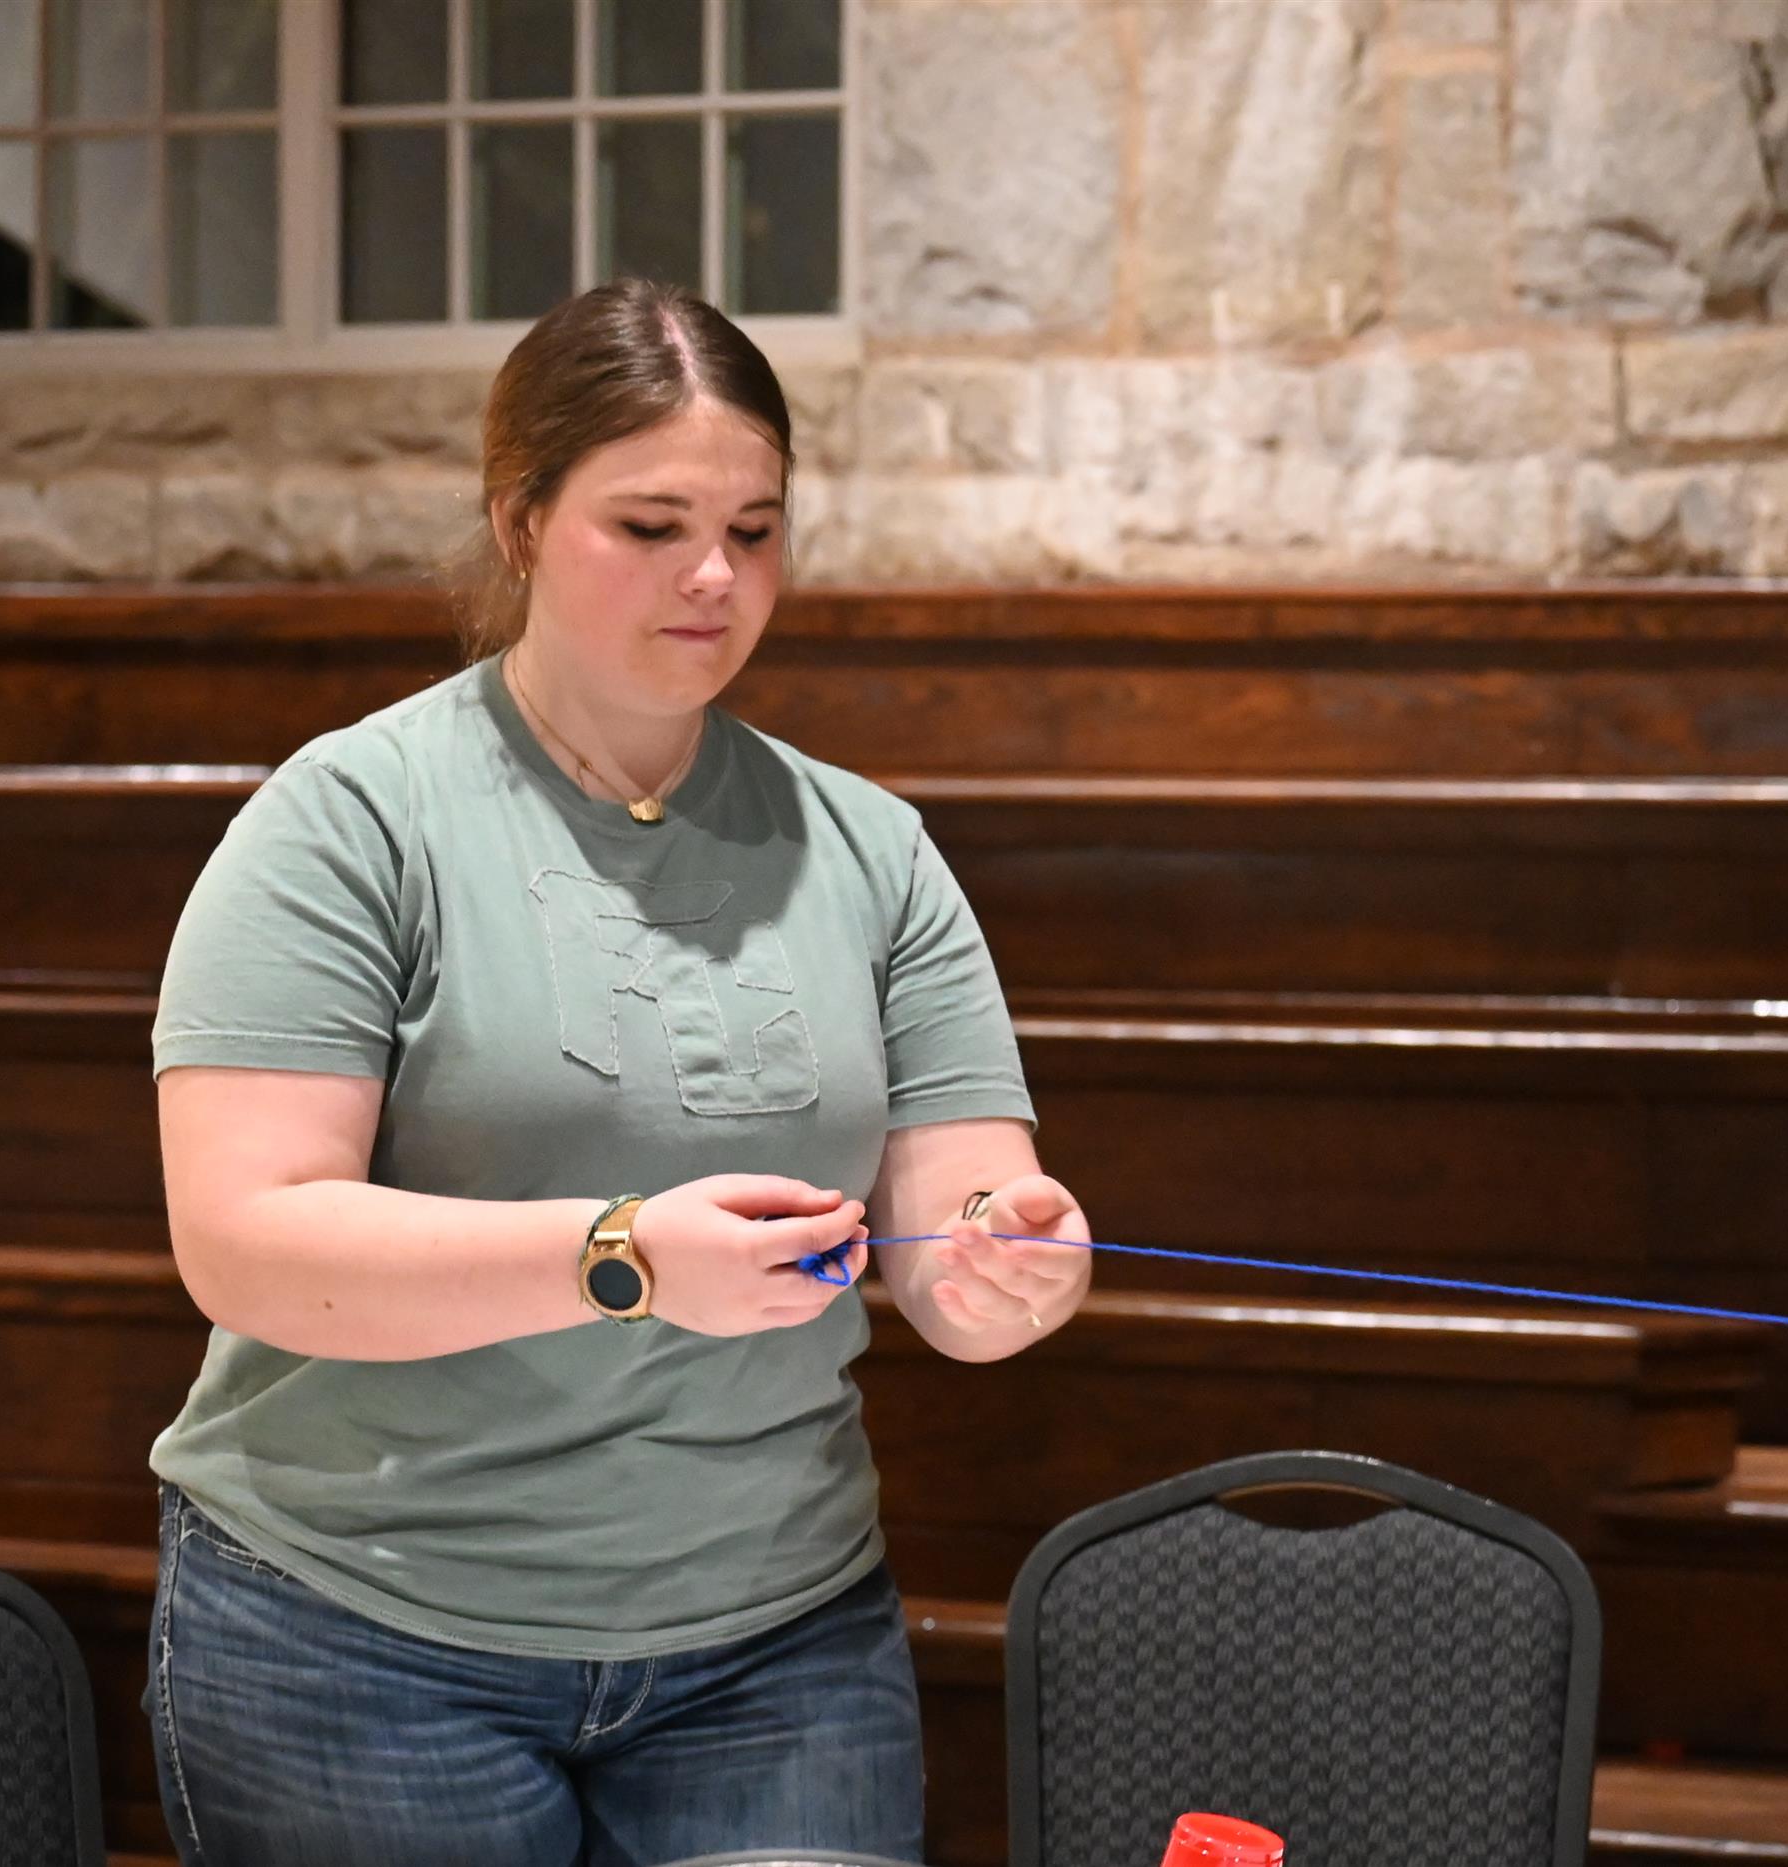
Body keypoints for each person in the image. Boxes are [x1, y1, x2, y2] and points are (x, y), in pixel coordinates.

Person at [147, 279, 1096, 1867]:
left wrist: (1010, 1267)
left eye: (754, 531)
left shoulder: (871, 847)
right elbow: (246, 1243)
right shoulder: (349, 818)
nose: (714, 576)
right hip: (366, 1627)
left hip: (773, 1639)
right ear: (520, 523)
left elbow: (960, 1232)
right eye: (651, 527)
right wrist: (625, 1259)